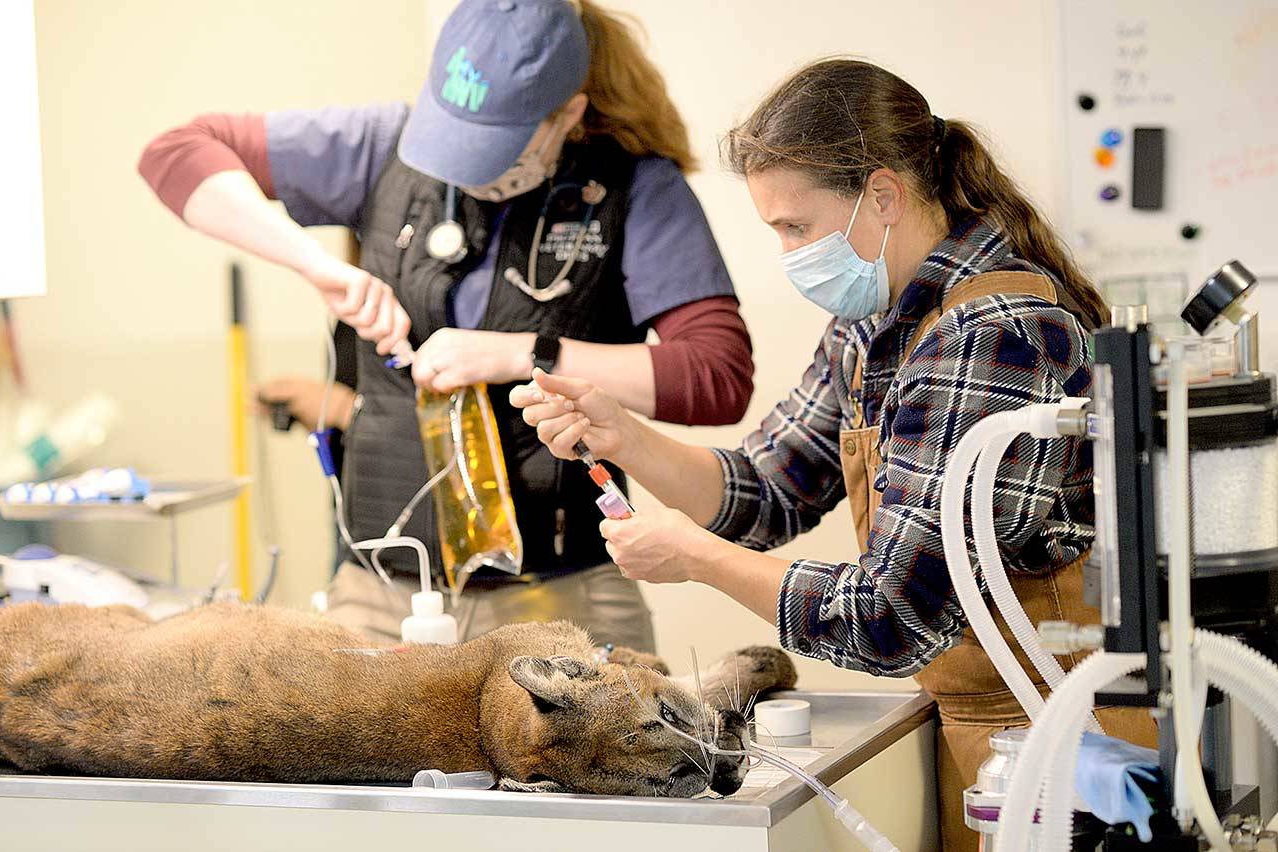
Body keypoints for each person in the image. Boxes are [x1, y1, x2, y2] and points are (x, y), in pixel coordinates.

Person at [513, 58, 1156, 850]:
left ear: (881, 196)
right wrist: (627, 436)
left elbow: (890, 617)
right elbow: (766, 491)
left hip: (1082, 739)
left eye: (796, 227)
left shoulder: (992, 335)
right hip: (991, 734)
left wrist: (698, 560)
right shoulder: (870, 324)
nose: (788, 254)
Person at [138, 0, 754, 653]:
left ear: (567, 116)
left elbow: (717, 377)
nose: (465, 171)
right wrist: (313, 264)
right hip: (378, 594)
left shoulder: (633, 188)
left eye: (493, 149)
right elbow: (175, 153)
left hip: (563, 600)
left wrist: (524, 353)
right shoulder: (383, 145)